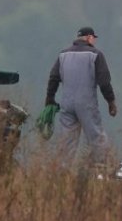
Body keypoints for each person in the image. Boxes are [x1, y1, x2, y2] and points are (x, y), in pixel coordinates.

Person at [45, 26, 117, 169]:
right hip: (86, 104)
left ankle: (61, 174)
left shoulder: (63, 54)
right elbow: (104, 81)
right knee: (96, 137)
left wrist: (50, 98)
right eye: (94, 38)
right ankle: (104, 170)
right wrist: (111, 101)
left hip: (67, 104)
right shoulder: (95, 54)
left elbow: (53, 78)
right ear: (89, 37)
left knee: (67, 142)